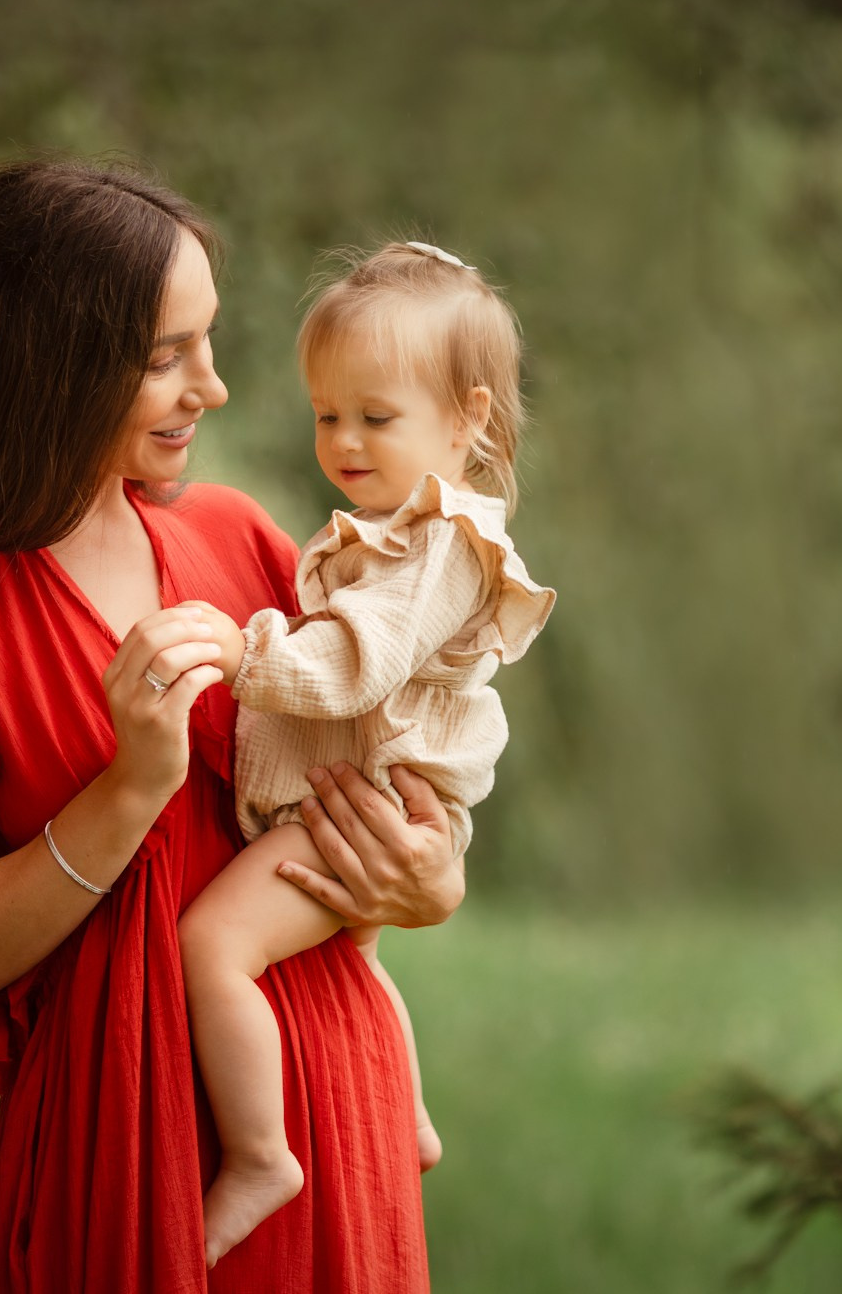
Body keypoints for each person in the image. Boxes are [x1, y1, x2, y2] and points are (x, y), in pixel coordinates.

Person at [0, 159, 462, 1293]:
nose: (214, 386)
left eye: (207, 343)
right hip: (126, 1138)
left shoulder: (240, 539)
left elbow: (378, 790)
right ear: (43, 366)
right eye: (166, 357)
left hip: (333, 1116)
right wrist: (131, 785)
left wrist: (427, 877)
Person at [174, 241, 554, 1265]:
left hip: (367, 796)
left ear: (468, 416)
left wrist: (238, 648)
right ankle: (413, 1111)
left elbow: (351, 664)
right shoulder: (401, 528)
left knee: (213, 944)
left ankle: (259, 1154)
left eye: (374, 418)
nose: (342, 440)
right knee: (352, 952)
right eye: (324, 413)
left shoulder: (444, 544)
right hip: (369, 790)